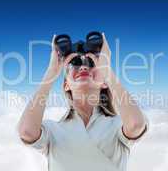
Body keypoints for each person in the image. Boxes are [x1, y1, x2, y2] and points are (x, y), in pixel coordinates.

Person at [18, 33, 148, 171]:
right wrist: (51, 72)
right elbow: (27, 131)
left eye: (91, 63)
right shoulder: (54, 131)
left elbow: (136, 125)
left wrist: (106, 69)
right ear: (66, 85)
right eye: (75, 64)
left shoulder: (117, 125)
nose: (84, 67)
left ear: (104, 82)